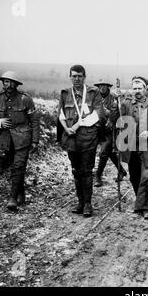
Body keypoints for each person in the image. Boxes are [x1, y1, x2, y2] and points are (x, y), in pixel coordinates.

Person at [58, 65, 105, 217]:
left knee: (86, 171)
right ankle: (80, 202)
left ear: (84, 77)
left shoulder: (93, 93)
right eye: (74, 76)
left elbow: (98, 114)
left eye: (79, 76)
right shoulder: (65, 93)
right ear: (70, 77)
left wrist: (77, 125)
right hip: (71, 140)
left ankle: (87, 204)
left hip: (88, 139)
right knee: (76, 171)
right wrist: (66, 128)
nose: (76, 79)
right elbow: (61, 114)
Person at [118, 76, 148, 220]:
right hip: (132, 147)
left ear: (145, 89)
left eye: (140, 88)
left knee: (147, 178)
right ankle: (140, 203)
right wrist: (117, 101)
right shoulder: (126, 104)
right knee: (134, 177)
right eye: (135, 88)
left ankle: (147, 207)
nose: (137, 91)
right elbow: (117, 119)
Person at [0, 71, 40, 211]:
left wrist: (35, 141)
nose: (9, 85)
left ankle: (12, 198)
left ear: (16, 84)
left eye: (12, 82)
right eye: (6, 82)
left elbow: (34, 120)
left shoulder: (25, 99)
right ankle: (21, 194)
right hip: (7, 140)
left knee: (18, 166)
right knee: (14, 167)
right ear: (3, 83)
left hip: (23, 138)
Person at [93, 77, 127, 187]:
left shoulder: (114, 98)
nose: (102, 88)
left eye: (104, 85)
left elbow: (117, 112)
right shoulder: (94, 97)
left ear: (108, 87)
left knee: (103, 153)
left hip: (109, 129)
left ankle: (98, 176)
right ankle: (121, 171)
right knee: (109, 152)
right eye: (100, 86)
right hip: (97, 128)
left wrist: (109, 117)